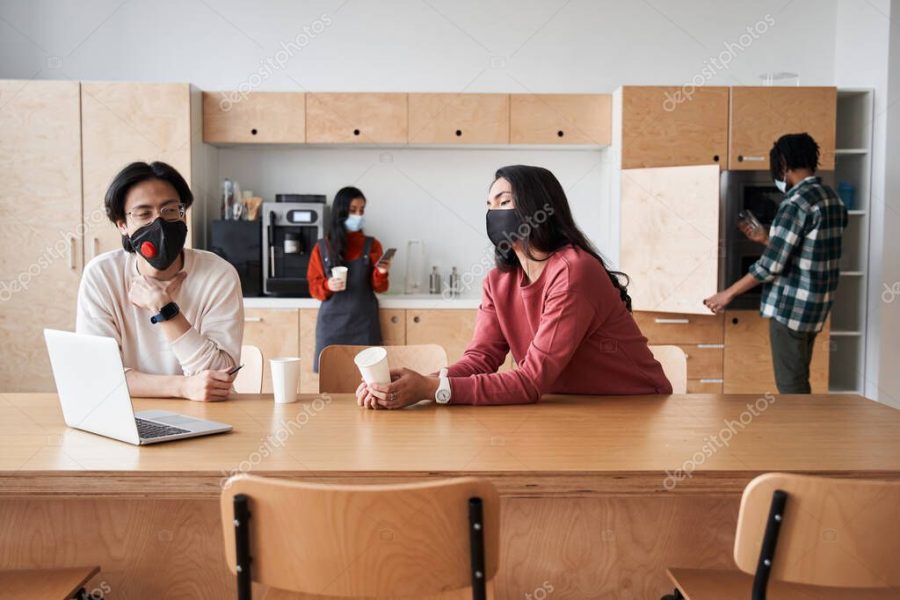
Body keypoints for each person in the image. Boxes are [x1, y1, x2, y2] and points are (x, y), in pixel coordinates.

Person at [356, 165, 672, 409]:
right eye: (490, 205)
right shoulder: (499, 281)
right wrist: (418, 383)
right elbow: (480, 359)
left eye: (504, 202)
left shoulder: (574, 271)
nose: (494, 213)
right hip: (565, 407)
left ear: (538, 208)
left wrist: (432, 390)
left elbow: (531, 381)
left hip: (635, 406)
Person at [76, 161, 243, 402]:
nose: (159, 223)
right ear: (122, 224)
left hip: (207, 414)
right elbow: (97, 376)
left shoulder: (218, 275)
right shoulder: (102, 275)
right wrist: (183, 387)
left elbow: (217, 377)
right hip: (125, 413)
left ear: (183, 214)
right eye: (144, 214)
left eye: (170, 210)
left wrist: (165, 310)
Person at [704, 133, 847, 393]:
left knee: (790, 385)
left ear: (783, 165)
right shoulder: (831, 198)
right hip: (816, 305)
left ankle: (798, 433)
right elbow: (809, 252)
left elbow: (771, 266)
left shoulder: (795, 203)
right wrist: (766, 239)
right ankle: (802, 430)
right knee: (799, 378)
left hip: (790, 308)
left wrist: (728, 294)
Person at [308, 186, 392, 372]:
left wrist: (382, 272)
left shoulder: (372, 245)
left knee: (369, 378)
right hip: (331, 326)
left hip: (364, 325)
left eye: (361, 210)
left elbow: (380, 287)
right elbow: (314, 288)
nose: (358, 215)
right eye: (353, 210)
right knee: (331, 377)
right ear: (341, 211)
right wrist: (327, 285)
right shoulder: (323, 247)